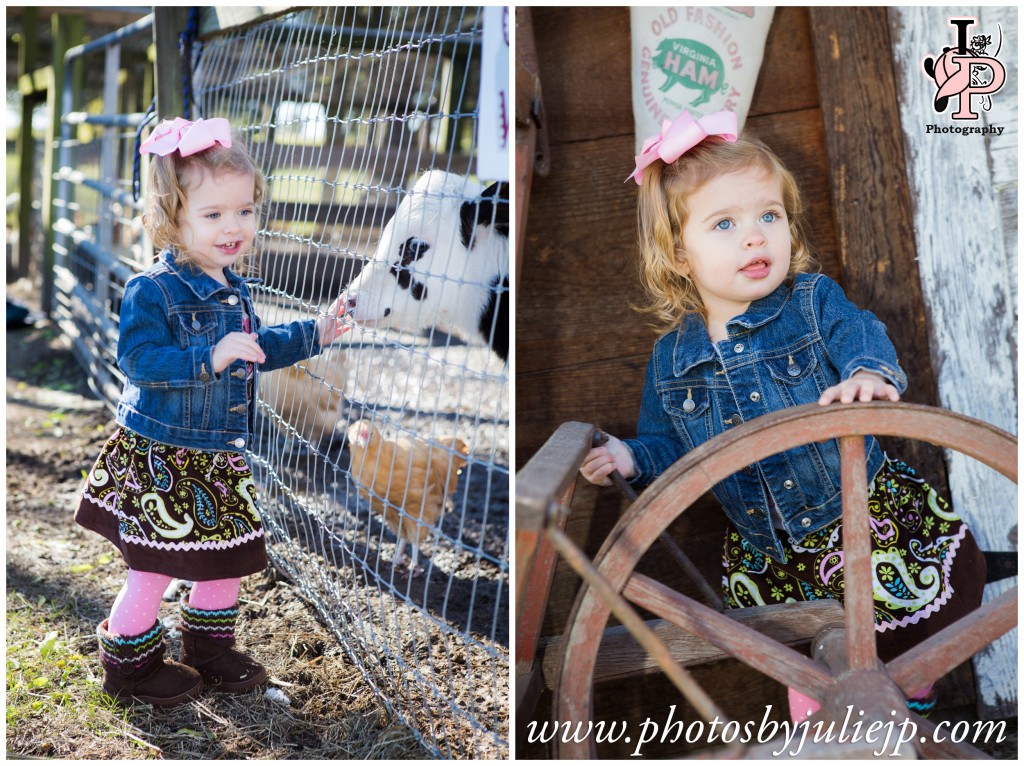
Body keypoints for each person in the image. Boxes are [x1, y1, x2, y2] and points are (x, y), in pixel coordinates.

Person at [580, 110, 985, 721]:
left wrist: (866, 374)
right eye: (725, 224)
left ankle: (909, 702)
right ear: (678, 255)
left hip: (861, 523)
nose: (755, 236)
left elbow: (859, 332)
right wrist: (631, 456)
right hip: (774, 556)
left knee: (908, 633)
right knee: (809, 667)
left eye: (769, 216)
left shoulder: (810, 303)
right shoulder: (673, 360)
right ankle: (829, 730)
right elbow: (674, 449)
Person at [75, 117, 347, 706]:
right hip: (165, 456)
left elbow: (256, 350)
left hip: (217, 458)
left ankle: (210, 650)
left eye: (245, 211)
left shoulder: (234, 287)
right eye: (215, 214)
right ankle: (130, 666)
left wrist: (316, 333)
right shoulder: (153, 289)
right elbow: (141, 361)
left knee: (226, 559)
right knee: (155, 566)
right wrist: (209, 356)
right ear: (173, 218)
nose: (235, 227)